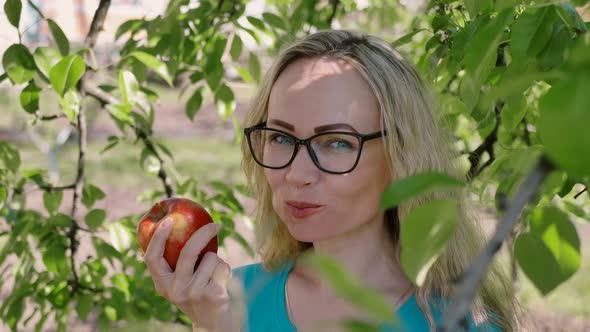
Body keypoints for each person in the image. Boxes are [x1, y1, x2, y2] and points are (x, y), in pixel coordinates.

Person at [142, 30, 521, 332]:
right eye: (280, 137)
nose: (297, 174)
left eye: (337, 142)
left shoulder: (464, 323)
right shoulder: (230, 299)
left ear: (401, 156)